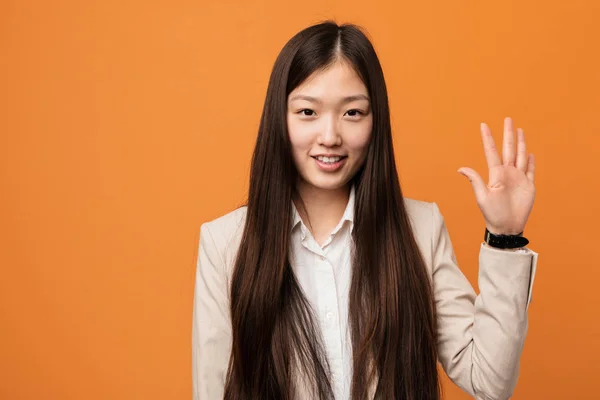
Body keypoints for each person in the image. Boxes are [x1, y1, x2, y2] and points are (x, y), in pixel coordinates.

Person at [192, 21, 538, 400]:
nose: (329, 136)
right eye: (308, 112)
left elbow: (489, 380)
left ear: (376, 122)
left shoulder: (421, 229)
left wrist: (505, 237)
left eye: (352, 113)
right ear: (280, 118)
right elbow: (213, 389)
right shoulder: (225, 242)